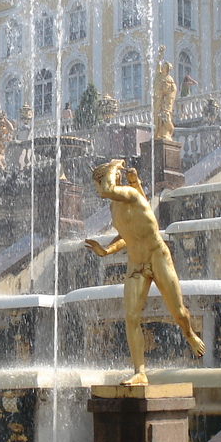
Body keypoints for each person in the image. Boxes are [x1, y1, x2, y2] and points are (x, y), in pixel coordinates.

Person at [84, 159, 205, 385]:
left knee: (177, 311)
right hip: (135, 263)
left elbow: (109, 190)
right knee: (131, 317)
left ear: (107, 180)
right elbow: (127, 235)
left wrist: (113, 165)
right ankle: (140, 371)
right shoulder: (114, 206)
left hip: (157, 256)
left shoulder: (132, 195)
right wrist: (107, 250)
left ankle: (189, 333)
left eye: (97, 185)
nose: (98, 190)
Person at [153, 47, 178, 142]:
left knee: (165, 117)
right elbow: (157, 63)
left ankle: (168, 132)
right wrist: (160, 54)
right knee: (157, 117)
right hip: (158, 100)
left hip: (165, 102)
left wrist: (168, 98)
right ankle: (157, 133)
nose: (162, 67)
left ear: (167, 69)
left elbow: (173, 90)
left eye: (164, 66)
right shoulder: (158, 75)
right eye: (162, 66)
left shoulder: (170, 80)